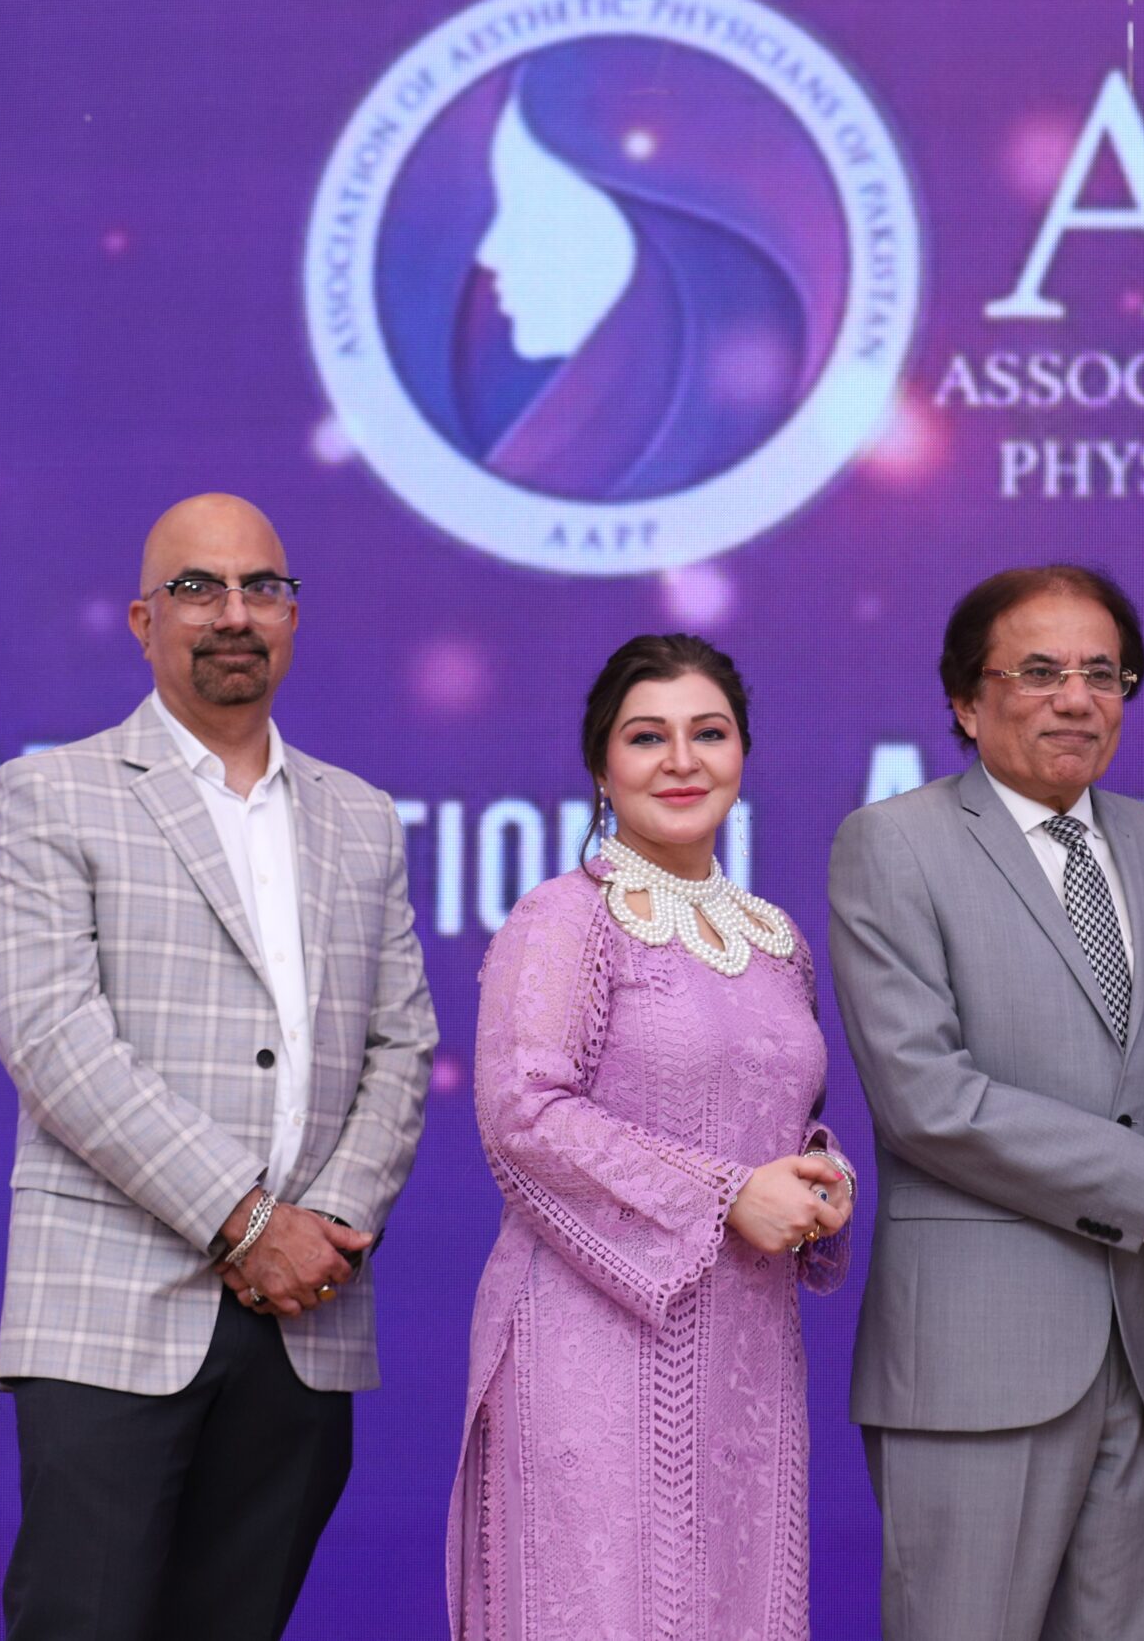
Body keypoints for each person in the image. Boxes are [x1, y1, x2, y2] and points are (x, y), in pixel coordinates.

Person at [0, 492, 437, 1641]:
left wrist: (323, 1232)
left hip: (305, 1318)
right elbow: (53, 1039)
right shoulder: (52, 794)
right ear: (142, 621)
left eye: (260, 588)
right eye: (197, 588)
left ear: (292, 617)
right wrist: (247, 1223)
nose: (233, 614)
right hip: (113, 1316)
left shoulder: (362, 818)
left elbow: (402, 1044)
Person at [828, 564, 1144, 1641]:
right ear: (966, 702)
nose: (1076, 699)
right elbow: (927, 1097)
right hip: (974, 1361)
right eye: (1038, 672)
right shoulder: (894, 843)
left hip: (1140, 1355)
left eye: (1102, 674)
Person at [445, 634, 854, 1640]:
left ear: (742, 754)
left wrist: (820, 1170)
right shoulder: (565, 918)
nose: (681, 761)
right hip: (590, 1347)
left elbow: (776, 1109)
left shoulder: (774, 939)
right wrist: (728, 1194)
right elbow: (523, 1115)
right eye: (646, 737)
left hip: (746, 1353)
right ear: (601, 765)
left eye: (707, 733)